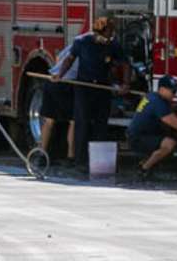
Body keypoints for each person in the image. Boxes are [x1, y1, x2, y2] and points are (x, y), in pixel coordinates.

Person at [53, 17, 130, 170]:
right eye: (106, 35)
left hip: (103, 88)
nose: (108, 39)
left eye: (111, 35)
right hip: (84, 87)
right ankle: (80, 161)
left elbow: (125, 64)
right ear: (97, 32)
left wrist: (125, 84)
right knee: (82, 123)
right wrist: (60, 74)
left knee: (101, 124)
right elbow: (69, 59)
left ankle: (98, 161)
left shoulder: (113, 45)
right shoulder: (82, 42)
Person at [127, 75, 177, 176]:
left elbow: (171, 108)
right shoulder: (158, 103)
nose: (174, 94)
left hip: (144, 134)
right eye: (173, 91)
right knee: (170, 144)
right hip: (137, 139)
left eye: (176, 91)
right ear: (162, 89)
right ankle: (144, 168)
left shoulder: (153, 96)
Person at [39, 44, 76, 163]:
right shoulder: (89, 45)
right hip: (66, 83)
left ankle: (42, 155)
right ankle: (71, 156)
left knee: (49, 120)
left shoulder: (76, 43)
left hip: (52, 80)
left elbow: (58, 58)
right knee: (73, 121)